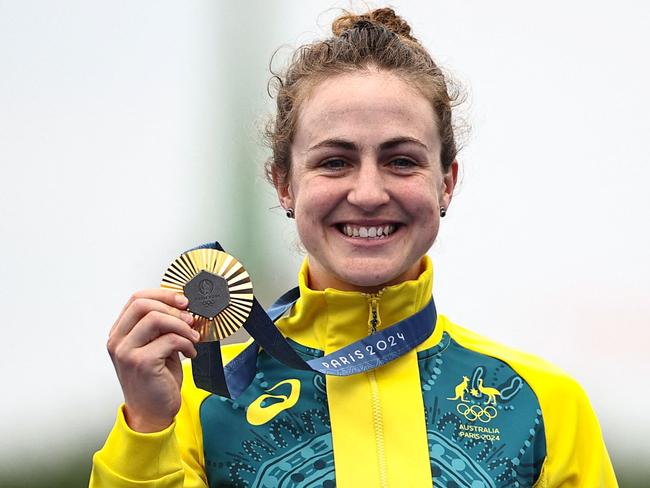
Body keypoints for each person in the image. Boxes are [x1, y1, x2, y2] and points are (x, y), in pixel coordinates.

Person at [90, 7, 618, 488]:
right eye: (335, 161)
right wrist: (147, 427)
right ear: (284, 184)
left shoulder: (544, 404)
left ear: (447, 182)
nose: (368, 193)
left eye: (402, 160)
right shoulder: (197, 402)